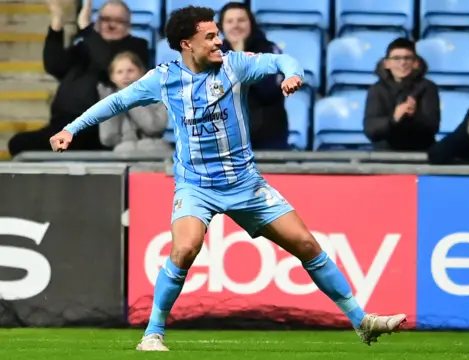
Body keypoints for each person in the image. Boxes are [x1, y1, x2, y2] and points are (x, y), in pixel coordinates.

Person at [49, 6, 405, 352]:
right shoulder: (165, 78)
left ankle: (362, 321)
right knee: (185, 248)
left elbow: (281, 60)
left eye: (218, 33)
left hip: (245, 185)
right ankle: (152, 335)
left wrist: (293, 75)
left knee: (308, 246)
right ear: (187, 44)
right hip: (196, 187)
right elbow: (116, 102)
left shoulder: (236, 65)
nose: (219, 41)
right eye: (210, 36)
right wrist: (70, 129)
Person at [8, 0, 148, 156]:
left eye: (118, 21)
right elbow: (54, 66)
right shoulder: (85, 46)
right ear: (98, 22)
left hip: (97, 129)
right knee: (18, 143)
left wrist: (87, 29)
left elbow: (108, 67)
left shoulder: (136, 47)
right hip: (63, 125)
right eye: (106, 20)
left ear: (128, 25)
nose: (111, 25)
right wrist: (57, 21)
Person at [219, 2, 289, 150]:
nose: (236, 25)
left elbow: (268, 89)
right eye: (230, 21)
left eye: (241, 20)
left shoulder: (269, 51)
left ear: (251, 23)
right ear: (222, 27)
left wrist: (241, 61)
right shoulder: (214, 55)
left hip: (268, 141)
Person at [364, 38, 441, 151]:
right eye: (396, 58)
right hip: (385, 157)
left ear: (416, 63)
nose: (402, 63)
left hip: (420, 155)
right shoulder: (376, 90)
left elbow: (432, 127)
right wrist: (394, 118)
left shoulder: (428, 87)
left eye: (407, 58)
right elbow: (371, 129)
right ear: (387, 64)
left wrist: (413, 117)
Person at [99, 52, 170, 152]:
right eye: (119, 72)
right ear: (112, 77)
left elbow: (154, 127)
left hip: (155, 152)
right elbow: (108, 138)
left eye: (130, 70)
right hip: (124, 155)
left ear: (141, 72)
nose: (125, 75)